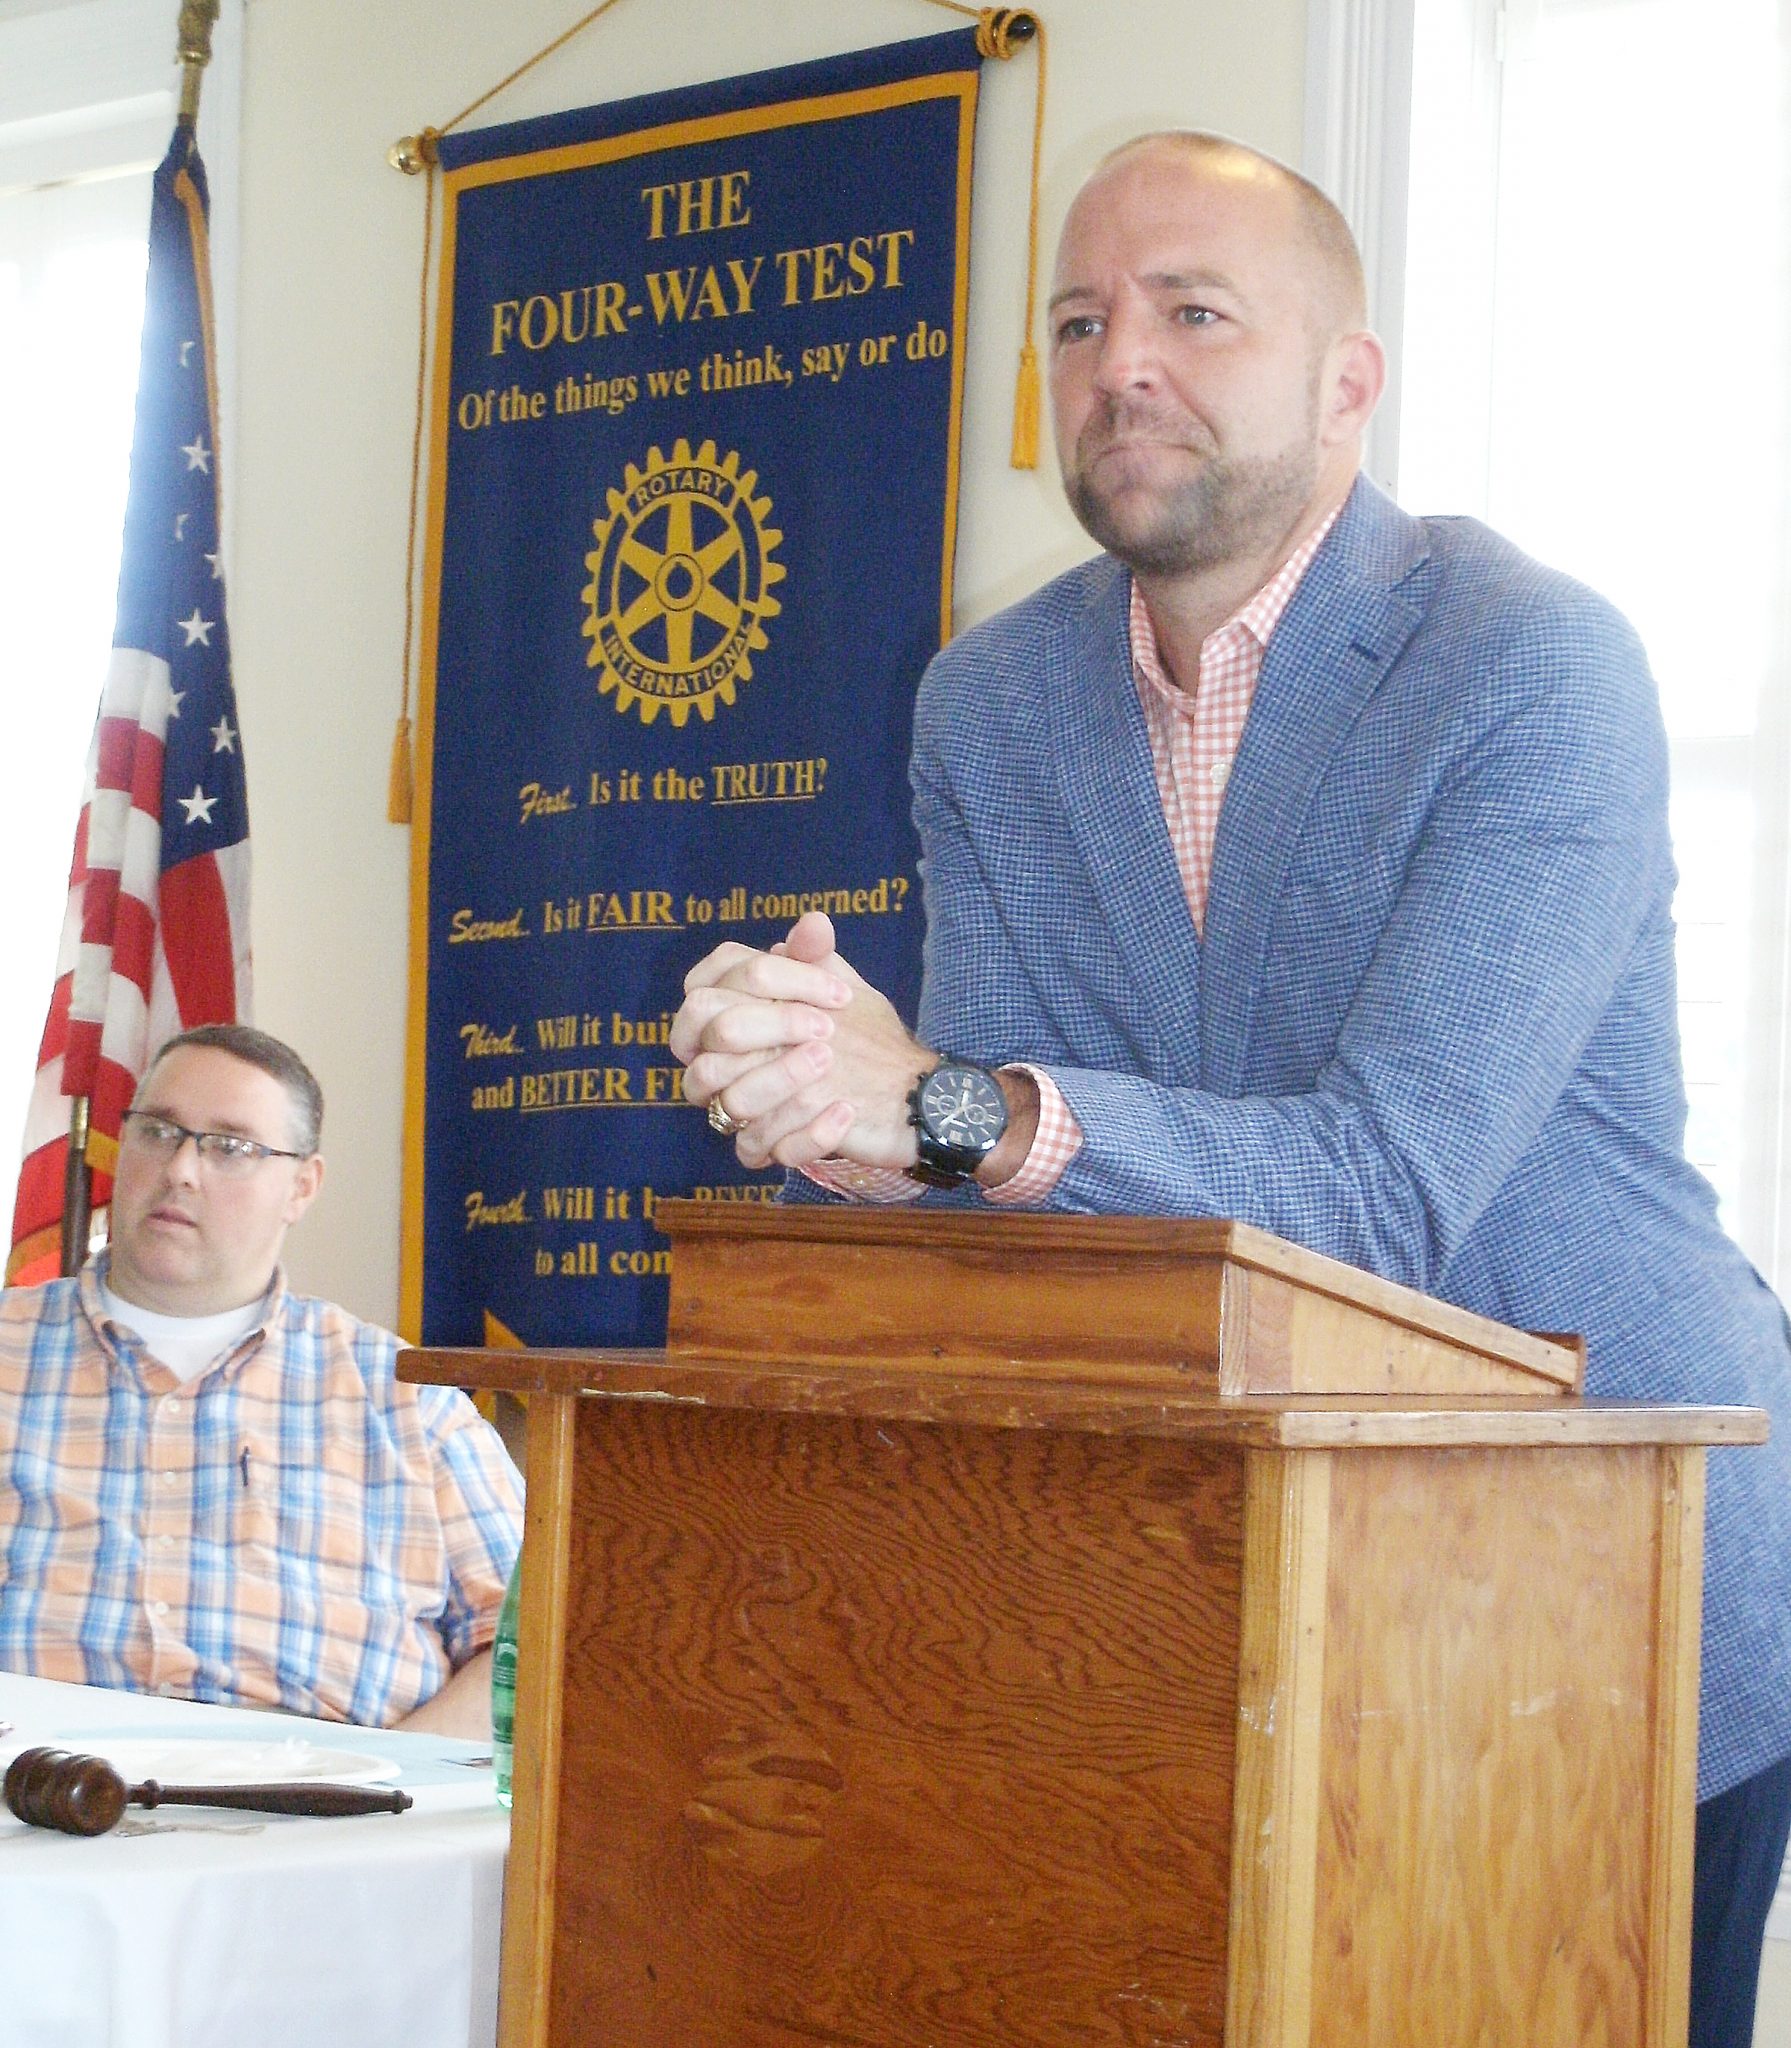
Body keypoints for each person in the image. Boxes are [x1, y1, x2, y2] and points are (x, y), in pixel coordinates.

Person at [669, 133, 1791, 2045]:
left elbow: (1376, 1194)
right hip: (1205, 1585)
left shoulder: (1531, 664)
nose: (1124, 364)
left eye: (1197, 312)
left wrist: (942, 1105)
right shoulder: (989, 700)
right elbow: (1032, 1177)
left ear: (1348, 380)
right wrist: (818, 1104)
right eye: (1082, 320)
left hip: (1605, 1568)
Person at [0, 1022, 521, 1736]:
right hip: (33, 1809)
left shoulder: (407, 1401)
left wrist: (386, 1794)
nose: (181, 1169)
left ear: (301, 1187)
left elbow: (534, 1647)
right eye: (158, 1131)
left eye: (231, 1147)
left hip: (329, 1819)